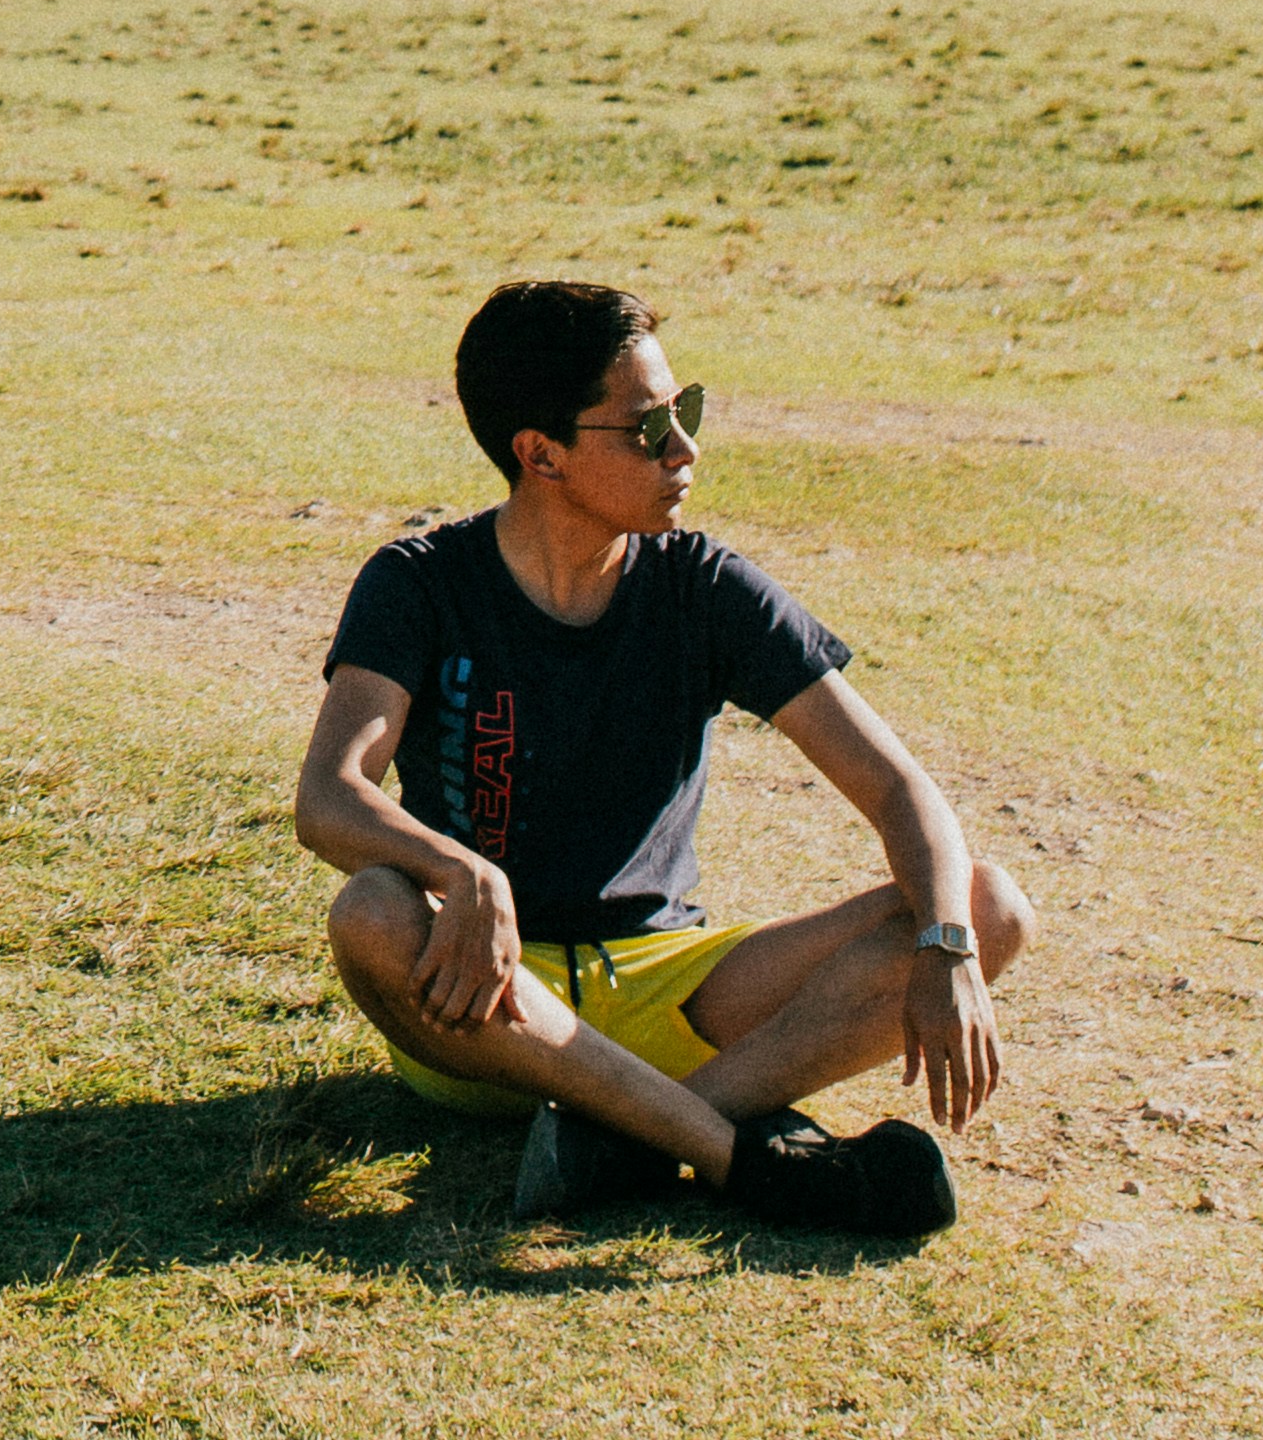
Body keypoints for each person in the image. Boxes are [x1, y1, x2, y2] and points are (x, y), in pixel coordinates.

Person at [298, 278, 1032, 1235]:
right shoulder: (420, 583)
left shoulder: (707, 588)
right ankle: (738, 1152)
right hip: (482, 1001)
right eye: (648, 428)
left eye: (685, 412)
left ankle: (637, 1144)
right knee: (372, 912)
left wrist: (944, 945)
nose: (686, 450)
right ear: (540, 453)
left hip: (673, 986)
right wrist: (464, 874)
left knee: (985, 905)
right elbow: (329, 796)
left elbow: (897, 789)